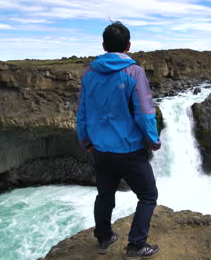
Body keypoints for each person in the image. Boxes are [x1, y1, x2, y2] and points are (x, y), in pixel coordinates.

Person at [76, 21, 161, 259]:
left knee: (105, 194)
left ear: (103, 45)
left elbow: (81, 113)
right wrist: (153, 140)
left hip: (100, 149)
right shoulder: (134, 72)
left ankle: (104, 238)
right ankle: (135, 246)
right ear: (129, 46)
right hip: (130, 149)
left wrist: (86, 142)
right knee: (148, 196)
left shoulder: (89, 74)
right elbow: (145, 112)